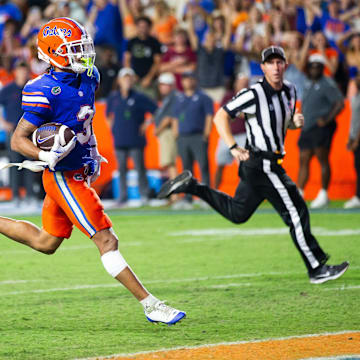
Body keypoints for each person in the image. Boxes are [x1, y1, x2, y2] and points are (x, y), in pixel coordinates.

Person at [1, 18, 185, 325]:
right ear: (52, 53)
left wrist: (93, 151)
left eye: (83, 46)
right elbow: (18, 140)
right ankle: (151, 305)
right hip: (63, 176)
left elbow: (84, 122)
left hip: (79, 170)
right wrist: (46, 154)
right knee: (107, 240)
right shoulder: (43, 89)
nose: (84, 54)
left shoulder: (90, 76)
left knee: (46, 243)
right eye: (74, 49)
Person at [158, 46, 349, 285]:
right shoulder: (254, 93)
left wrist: (294, 123)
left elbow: (284, 122)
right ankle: (316, 268)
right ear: (263, 68)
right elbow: (220, 117)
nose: (276, 67)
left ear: (285, 65)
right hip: (262, 163)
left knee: (238, 213)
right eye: (271, 63)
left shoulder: (290, 90)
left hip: (264, 163)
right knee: (296, 211)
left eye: (280, 62)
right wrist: (232, 147)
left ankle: (193, 186)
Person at [297, 54, 344, 209]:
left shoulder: (327, 83)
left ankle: (324, 193)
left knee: (321, 158)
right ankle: (299, 193)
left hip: (321, 127)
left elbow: (339, 103)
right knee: (303, 158)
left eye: (318, 66)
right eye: (312, 66)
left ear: (323, 68)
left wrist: (327, 119)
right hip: (307, 126)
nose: (314, 68)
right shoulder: (307, 82)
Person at [106, 67, 157, 205]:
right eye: (124, 78)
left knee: (140, 168)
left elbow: (155, 110)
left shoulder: (139, 97)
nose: (127, 81)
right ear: (119, 81)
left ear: (133, 80)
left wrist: (146, 124)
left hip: (136, 138)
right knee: (121, 169)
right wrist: (114, 129)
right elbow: (108, 116)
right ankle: (122, 197)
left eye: (129, 78)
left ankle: (144, 195)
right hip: (120, 139)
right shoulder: (114, 97)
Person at [171, 71, 213, 207]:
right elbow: (175, 117)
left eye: (190, 79)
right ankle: (188, 197)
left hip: (197, 135)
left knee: (203, 166)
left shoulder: (203, 97)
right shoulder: (179, 98)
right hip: (183, 137)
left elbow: (209, 116)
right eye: (185, 79)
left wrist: (206, 133)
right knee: (186, 169)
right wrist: (176, 133)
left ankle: (206, 197)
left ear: (194, 80)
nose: (187, 82)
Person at [0, 61, 36, 205]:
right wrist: (3, 123)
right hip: (13, 130)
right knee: (14, 163)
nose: (22, 73)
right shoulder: (8, 89)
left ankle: (30, 195)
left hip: (29, 130)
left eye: (24, 70)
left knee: (30, 163)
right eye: (20, 71)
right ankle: (15, 196)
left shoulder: (32, 88)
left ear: (27, 72)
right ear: (16, 72)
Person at [214, 73, 247, 189]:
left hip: (243, 136)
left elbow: (245, 115)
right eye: (240, 83)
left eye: (245, 84)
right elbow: (223, 114)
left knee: (244, 166)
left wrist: (234, 112)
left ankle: (244, 194)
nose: (242, 86)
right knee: (220, 164)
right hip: (227, 135)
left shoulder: (250, 97)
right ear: (235, 83)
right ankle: (214, 192)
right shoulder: (229, 96)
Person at [153, 72, 179, 203]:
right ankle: (174, 194)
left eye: (164, 85)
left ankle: (175, 195)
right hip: (166, 133)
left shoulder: (174, 97)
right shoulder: (168, 98)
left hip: (167, 132)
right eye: (161, 85)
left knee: (170, 164)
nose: (161, 87)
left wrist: (157, 130)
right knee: (169, 165)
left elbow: (169, 118)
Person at [123, 16, 162, 99]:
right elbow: (126, 60)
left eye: (145, 27)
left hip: (150, 81)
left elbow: (157, 62)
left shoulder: (154, 42)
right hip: (134, 80)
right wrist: (132, 75)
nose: (142, 29)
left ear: (149, 28)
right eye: (140, 26)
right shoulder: (131, 41)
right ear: (136, 27)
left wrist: (149, 77)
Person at [344, 74, 360, 209]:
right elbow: (354, 120)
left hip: (358, 139)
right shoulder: (356, 97)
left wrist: (357, 140)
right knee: (357, 167)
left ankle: (358, 196)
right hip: (355, 137)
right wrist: (350, 137)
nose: (357, 79)